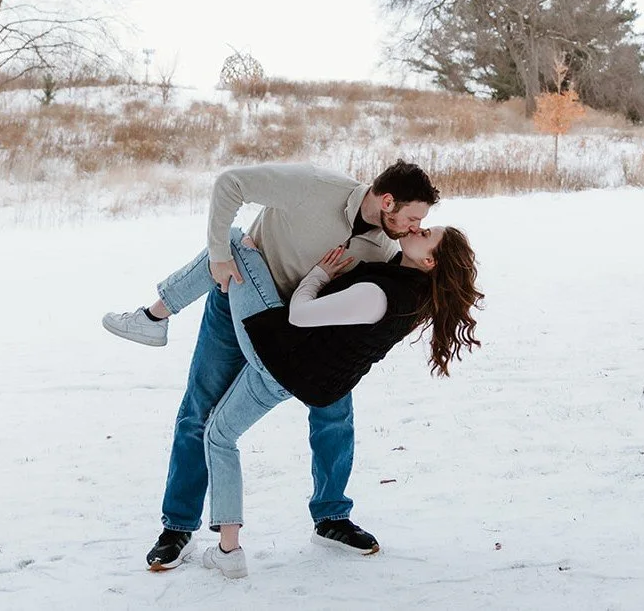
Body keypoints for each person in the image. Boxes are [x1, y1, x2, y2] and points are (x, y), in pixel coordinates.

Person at [102, 160, 439, 569]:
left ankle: (332, 516)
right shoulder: (315, 187)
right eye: (412, 217)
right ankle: (178, 526)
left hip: (302, 338)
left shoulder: (386, 249)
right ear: (388, 201)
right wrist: (220, 255)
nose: (413, 227)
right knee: (200, 410)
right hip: (238, 304)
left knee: (334, 414)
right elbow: (231, 183)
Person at [129, 222, 483, 578]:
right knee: (210, 427)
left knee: (234, 241)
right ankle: (199, 535)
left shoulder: (387, 288)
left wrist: (318, 274)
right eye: (418, 222)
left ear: (430, 263)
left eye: (424, 232)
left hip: (278, 345)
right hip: (289, 363)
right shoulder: (405, 281)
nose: (416, 227)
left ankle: (155, 314)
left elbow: (305, 315)